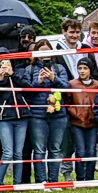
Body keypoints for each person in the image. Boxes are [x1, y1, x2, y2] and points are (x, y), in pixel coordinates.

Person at [24, 48, 69, 184]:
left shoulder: (60, 68)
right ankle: (41, 180)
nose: (45, 55)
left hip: (58, 114)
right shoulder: (30, 69)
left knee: (56, 149)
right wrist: (38, 81)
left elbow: (66, 88)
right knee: (39, 150)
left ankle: (54, 181)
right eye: (41, 51)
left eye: (47, 51)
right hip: (37, 116)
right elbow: (27, 92)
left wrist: (53, 78)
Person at [0, 55, 27, 186]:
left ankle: (18, 183)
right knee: (7, 152)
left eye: (7, 62)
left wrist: (13, 75)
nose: (5, 65)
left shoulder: (19, 73)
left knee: (18, 153)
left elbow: (27, 88)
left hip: (22, 117)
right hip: (4, 118)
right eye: (2, 62)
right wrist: (1, 79)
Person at [65, 57, 98, 180]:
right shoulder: (72, 84)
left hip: (93, 122)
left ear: (90, 70)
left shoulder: (97, 85)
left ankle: (90, 178)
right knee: (80, 151)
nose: (82, 71)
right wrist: (73, 112)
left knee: (91, 151)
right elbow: (67, 101)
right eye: (80, 68)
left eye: (85, 68)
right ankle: (80, 178)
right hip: (77, 122)